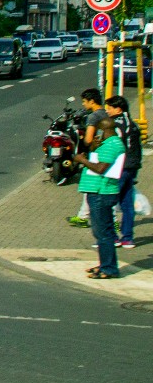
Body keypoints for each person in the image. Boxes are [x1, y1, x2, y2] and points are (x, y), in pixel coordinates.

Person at [73, 114, 127, 279]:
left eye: (97, 130)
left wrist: (81, 160)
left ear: (103, 129)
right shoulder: (107, 143)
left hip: (102, 192)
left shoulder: (112, 144)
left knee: (102, 232)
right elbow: (99, 160)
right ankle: (105, 264)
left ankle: (109, 268)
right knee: (102, 232)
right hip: (97, 191)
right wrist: (92, 150)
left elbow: (101, 168)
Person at [106, 95, 142, 250]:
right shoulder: (133, 124)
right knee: (127, 204)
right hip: (132, 167)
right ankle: (128, 238)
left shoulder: (115, 125)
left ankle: (112, 237)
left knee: (108, 202)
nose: (107, 111)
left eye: (110, 108)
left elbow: (114, 147)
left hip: (119, 168)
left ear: (118, 109)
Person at [69, 88, 106, 227]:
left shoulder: (93, 117)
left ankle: (109, 221)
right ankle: (82, 216)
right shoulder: (105, 113)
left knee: (93, 186)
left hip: (96, 155)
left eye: (85, 101)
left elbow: (89, 139)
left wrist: (84, 141)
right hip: (106, 154)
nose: (83, 104)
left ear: (92, 101)